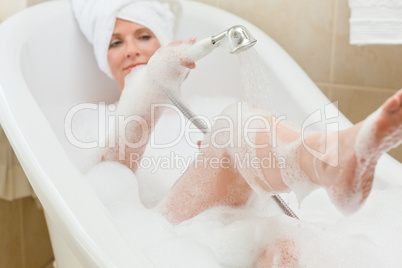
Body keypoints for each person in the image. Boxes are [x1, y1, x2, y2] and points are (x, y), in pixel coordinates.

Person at [72, 0, 402, 266]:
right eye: (116, 41)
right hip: (152, 234)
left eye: (143, 36)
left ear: (161, 39)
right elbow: (109, 178)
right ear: (104, 53)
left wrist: (218, 161)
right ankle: (328, 160)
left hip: (224, 228)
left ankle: (331, 159)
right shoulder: (98, 119)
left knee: (286, 247)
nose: (131, 49)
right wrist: (149, 91)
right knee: (236, 123)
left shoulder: (205, 106)